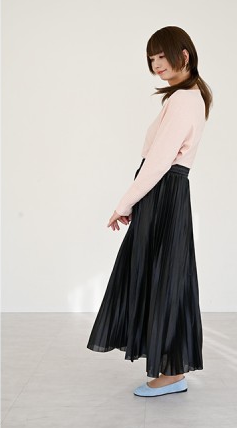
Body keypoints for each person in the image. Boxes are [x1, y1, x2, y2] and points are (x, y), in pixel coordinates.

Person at [87, 26, 213, 397]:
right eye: (152, 58)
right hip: (166, 193)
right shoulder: (191, 96)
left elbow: (158, 162)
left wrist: (124, 203)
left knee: (163, 278)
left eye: (162, 56)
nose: (156, 64)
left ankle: (172, 373)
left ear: (184, 55)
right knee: (165, 277)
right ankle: (171, 368)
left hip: (162, 192)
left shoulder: (183, 99)